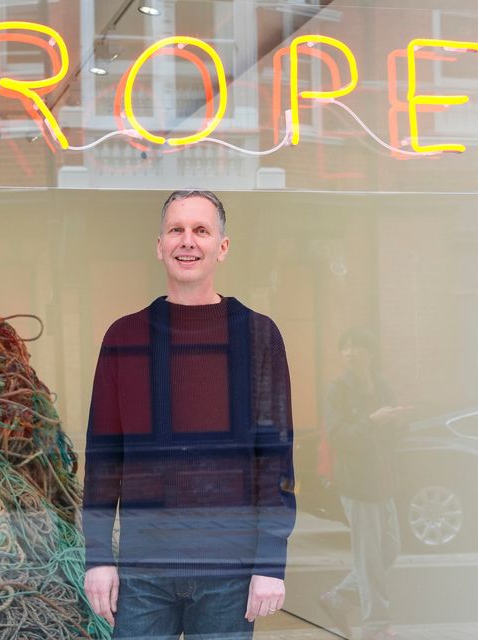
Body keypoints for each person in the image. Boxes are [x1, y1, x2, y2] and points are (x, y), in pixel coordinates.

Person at [82, 190, 296, 639]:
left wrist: (270, 562)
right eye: (176, 230)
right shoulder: (125, 337)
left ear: (222, 247)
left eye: (201, 230)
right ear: (159, 244)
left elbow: (274, 458)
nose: (188, 241)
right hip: (142, 571)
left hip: (230, 572)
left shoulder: (259, 335)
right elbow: (104, 459)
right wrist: (98, 557)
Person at [319, 328, 410, 640]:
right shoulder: (338, 390)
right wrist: (372, 421)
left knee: (391, 548)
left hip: (384, 481)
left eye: (356, 346)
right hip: (357, 485)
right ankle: (376, 626)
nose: (349, 352)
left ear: (370, 352)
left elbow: (394, 434)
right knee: (369, 558)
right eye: (345, 347)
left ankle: (340, 596)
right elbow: (338, 435)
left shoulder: (382, 385)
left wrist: (397, 422)